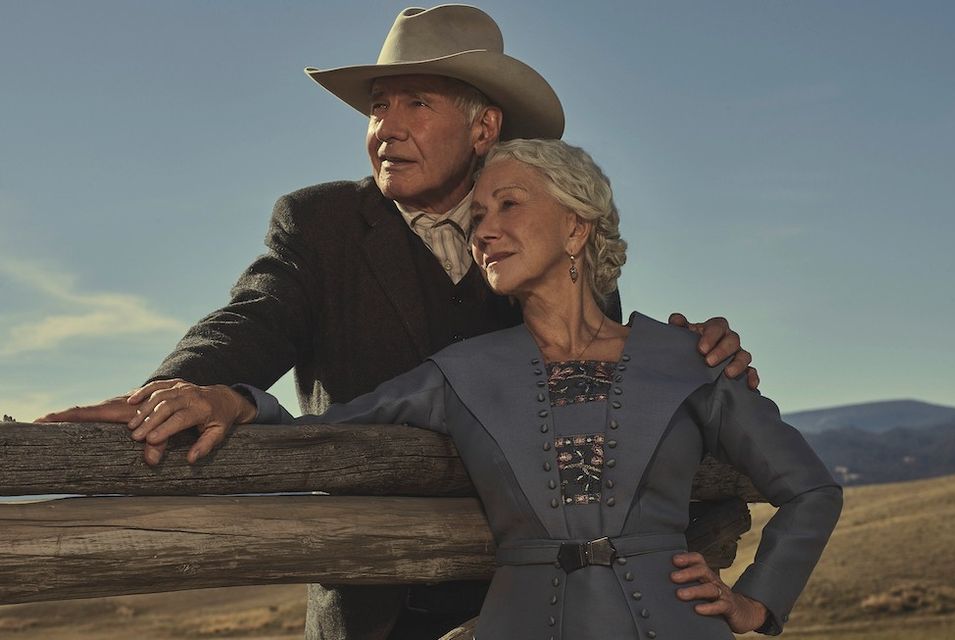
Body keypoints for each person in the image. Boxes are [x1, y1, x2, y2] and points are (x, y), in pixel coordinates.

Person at [39, 6, 759, 640]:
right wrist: (187, 384)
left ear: (485, 127)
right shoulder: (320, 224)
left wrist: (695, 371)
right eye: (378, 108)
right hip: (369, 603)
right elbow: (255, 317)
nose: (387, 128)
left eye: (417, 104)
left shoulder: (545, 233)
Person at [125, 139, 842, 639]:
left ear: (575, 226)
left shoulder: (688, 358)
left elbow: (810, 487)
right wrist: (235, 398)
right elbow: (332, 430)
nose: (484, 231)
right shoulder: (460, 371)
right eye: (477, 218)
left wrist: (756, 601)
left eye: (508, 207)